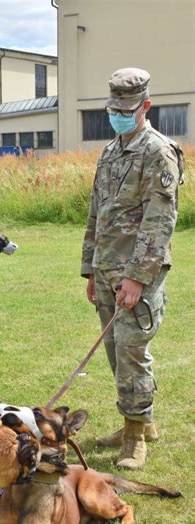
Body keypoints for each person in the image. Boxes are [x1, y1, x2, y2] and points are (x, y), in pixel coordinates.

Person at [81, 68, 184, 470]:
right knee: (115, 353)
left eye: (127, 109)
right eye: (113, 109)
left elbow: (160, 221)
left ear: (145, 106)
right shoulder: (110, 152)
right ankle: (141, 420)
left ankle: (134, 438)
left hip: (137, 274)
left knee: (131, 351)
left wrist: (137, 277)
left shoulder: (158, 151)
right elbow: (97, 214)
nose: (119, 115)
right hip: (106, 270)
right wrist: (90, 269)